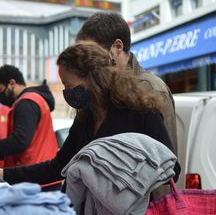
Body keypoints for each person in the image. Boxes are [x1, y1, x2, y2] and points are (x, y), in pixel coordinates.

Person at [0, 42, 180, 187]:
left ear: (94, 78)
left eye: (69, 86)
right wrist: (3, 174)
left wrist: (120, 178)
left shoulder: (141, 112)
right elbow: (58, 166)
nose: (66, 92)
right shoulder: (85, 118)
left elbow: (171, 168)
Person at [75, 12, 178, 155]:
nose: (89, 62)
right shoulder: (100, 88)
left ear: (118, 47)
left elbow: (167, 162)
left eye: (94, 53)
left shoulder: (151, 88)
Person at [0, 65, 58, 172]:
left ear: (12, 83)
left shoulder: (26, 103)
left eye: (0, 90)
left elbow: (19, 142)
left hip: (36, 175)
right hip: (38, 171)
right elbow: (18, 148)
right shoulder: (33, 100)